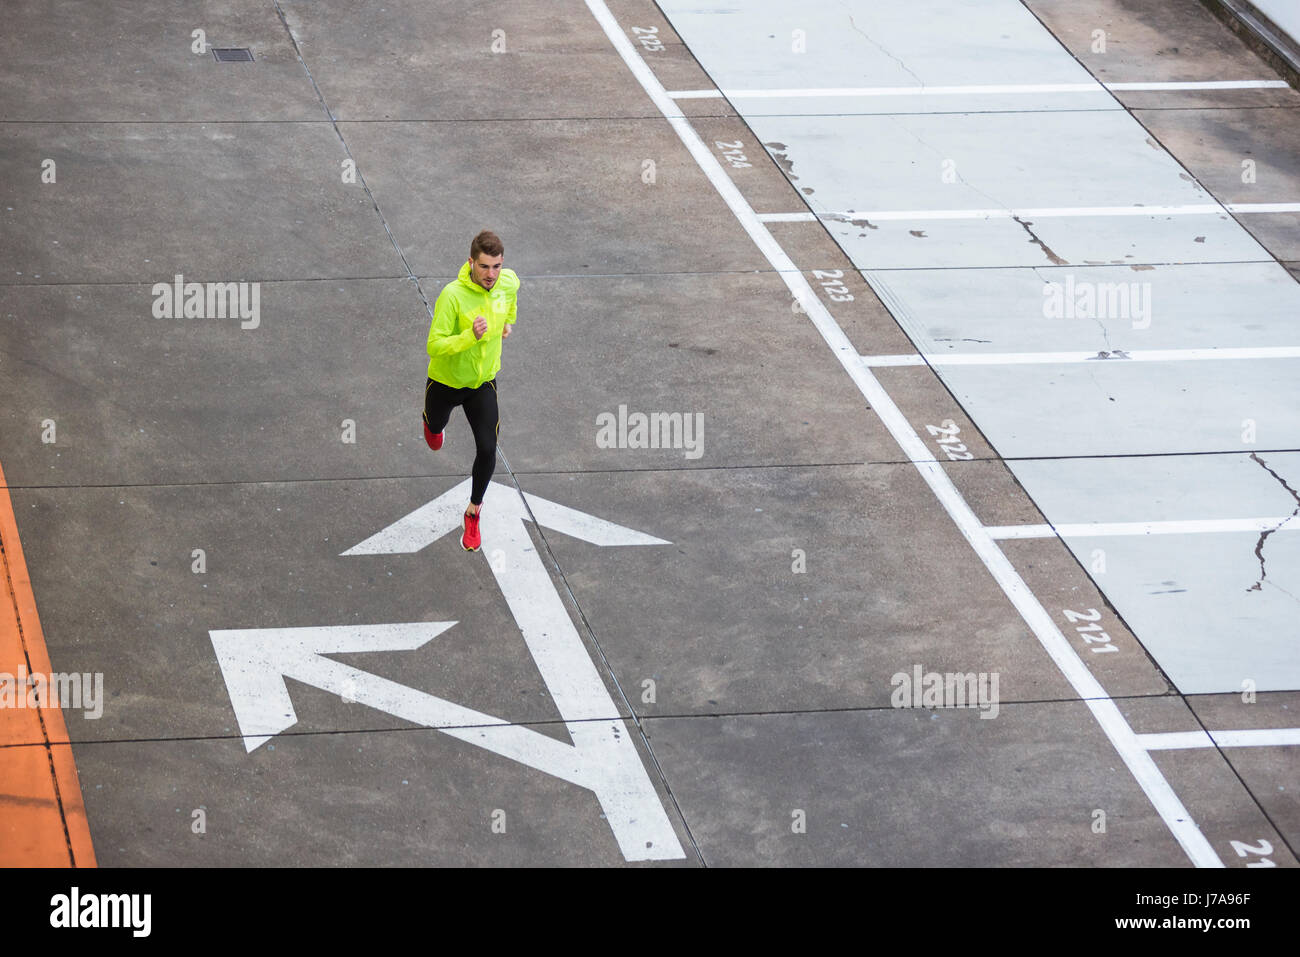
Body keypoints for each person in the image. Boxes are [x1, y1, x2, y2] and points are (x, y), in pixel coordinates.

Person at [422, 230, 520, 551]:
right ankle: (433, 426)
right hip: (446, 382)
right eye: (485, 267)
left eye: (497, 267)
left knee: (489, 449)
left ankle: (473, 511)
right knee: (435, 432)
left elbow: (510, 301)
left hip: (482, 383)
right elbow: (433, 345)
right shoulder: (452, 295)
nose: (491, 275)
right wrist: (469, 337)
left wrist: (507, 324)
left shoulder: (507, 283)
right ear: (470, 263)